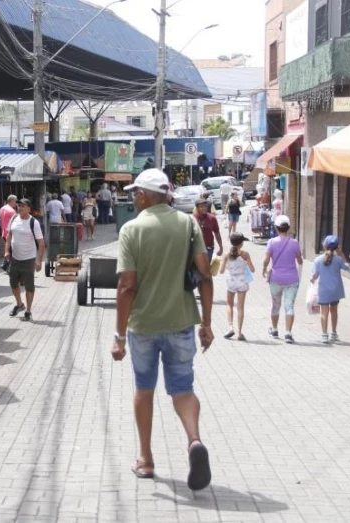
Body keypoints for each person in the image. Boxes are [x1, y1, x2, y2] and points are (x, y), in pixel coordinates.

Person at [112, 168, 215, 491]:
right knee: (183, 390)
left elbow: (126, 285)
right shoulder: (188, 224)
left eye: (135, 193)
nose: (133, 198)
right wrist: (207, 323)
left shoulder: (131, 229)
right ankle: (194, 440)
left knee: (144, 390)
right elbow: (205, 274)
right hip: (181, 322)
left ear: (145, 195)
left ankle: (146, 459)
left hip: (143, 326)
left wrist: (118, 336)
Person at [262, 215, 304, 343]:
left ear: (276, 227)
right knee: (289, 306)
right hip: (292, 278)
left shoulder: (271, 242)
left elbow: (266, 259)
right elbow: (300, 260)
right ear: (288, 228)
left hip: (276, 278)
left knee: (276, 305)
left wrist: (264, 269)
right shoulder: (295, 243)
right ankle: (288, 333)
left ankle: (274, 330)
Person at [3, 198, 45, 322]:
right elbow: (9, 235)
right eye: (19, 205)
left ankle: (28, 311)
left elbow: (41, 243)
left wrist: (39, 261)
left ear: (29, 209)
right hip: (15, 258)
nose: (20, 207)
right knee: (13, 283)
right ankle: (20, 304)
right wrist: (6, 251)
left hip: (29, 259)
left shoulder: (34, 222)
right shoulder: (14, 218)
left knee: (29, 286)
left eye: (23, 206)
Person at [311, 235, 347, 344]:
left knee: (324, 312)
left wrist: (312, 280)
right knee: (334, 311)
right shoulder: (338, 260)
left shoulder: (318, 260)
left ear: (324, 245)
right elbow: (347, 267)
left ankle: (324, 335)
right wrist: (341, 254)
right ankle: (334, 333)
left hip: (324, 290)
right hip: (335, 289)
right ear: (337, 247)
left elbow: (315, 275)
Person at [219, 233, 255, 341]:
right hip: (242, 281)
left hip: (231, 281)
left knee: (229, 304)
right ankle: (239, 332)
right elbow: (252, 269)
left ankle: (230, 327)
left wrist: (226, 266)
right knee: (240, 307)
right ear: (241, 243)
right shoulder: (245, 254)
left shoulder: (226, 255)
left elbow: (221, 271)